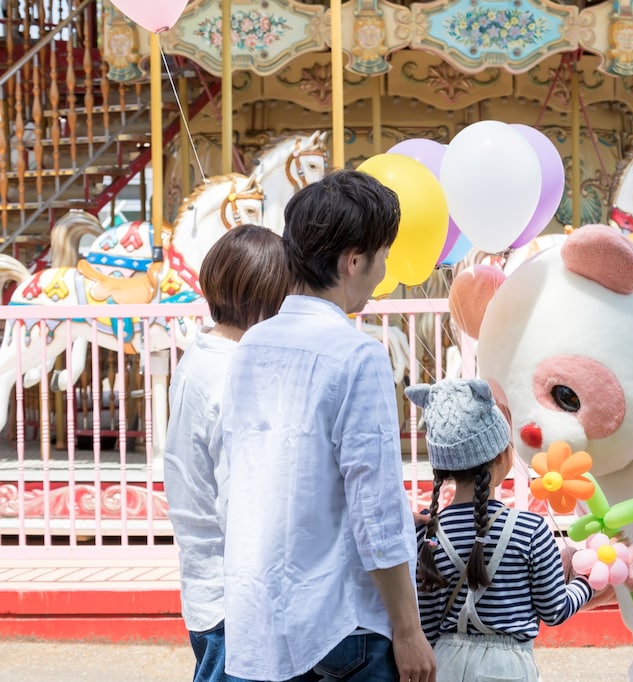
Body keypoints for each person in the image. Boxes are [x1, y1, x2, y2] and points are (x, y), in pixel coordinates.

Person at [221, 170, 436, 682]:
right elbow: (375, 504)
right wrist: (408, 630)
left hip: (264, 613)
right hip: (343, 623)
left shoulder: (251, 344)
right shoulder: (357, 354)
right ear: (353, 260)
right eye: (383, 256)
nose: (383, 272)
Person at [164, 224, 290, 682]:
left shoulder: (199, 357)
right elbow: (243, 501)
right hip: (237, 597)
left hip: (205, 586)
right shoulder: (234, 372)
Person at [406, 378, 595, 681]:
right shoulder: (530, 529)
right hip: (508, 669)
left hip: (445, 666)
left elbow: (426, 626)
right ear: (501, 456)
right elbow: (554, 610)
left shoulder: (425, 534)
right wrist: (586, 584)